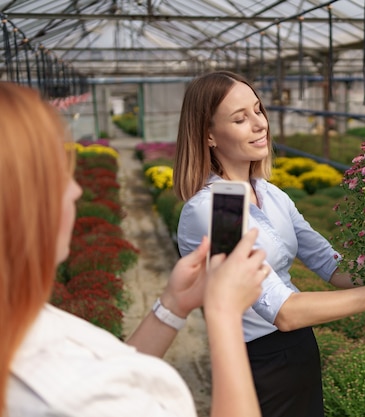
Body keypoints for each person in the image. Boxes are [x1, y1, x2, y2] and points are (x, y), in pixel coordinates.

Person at [173, 70, 365, 417]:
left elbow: (331, 264)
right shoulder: (214, 210)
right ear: (208, 135)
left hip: (299, 350)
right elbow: (282, 312)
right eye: (240, 119)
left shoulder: (270, 194)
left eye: (258, 110)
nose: (260, 125)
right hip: (257, 364)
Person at [0, 81, 268, 417]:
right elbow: (96, 390)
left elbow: (111, 371)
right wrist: (224, 316)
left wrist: (173, 305)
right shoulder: (67, 396)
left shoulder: (21, 321)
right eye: (56, 175)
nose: (74, 192)